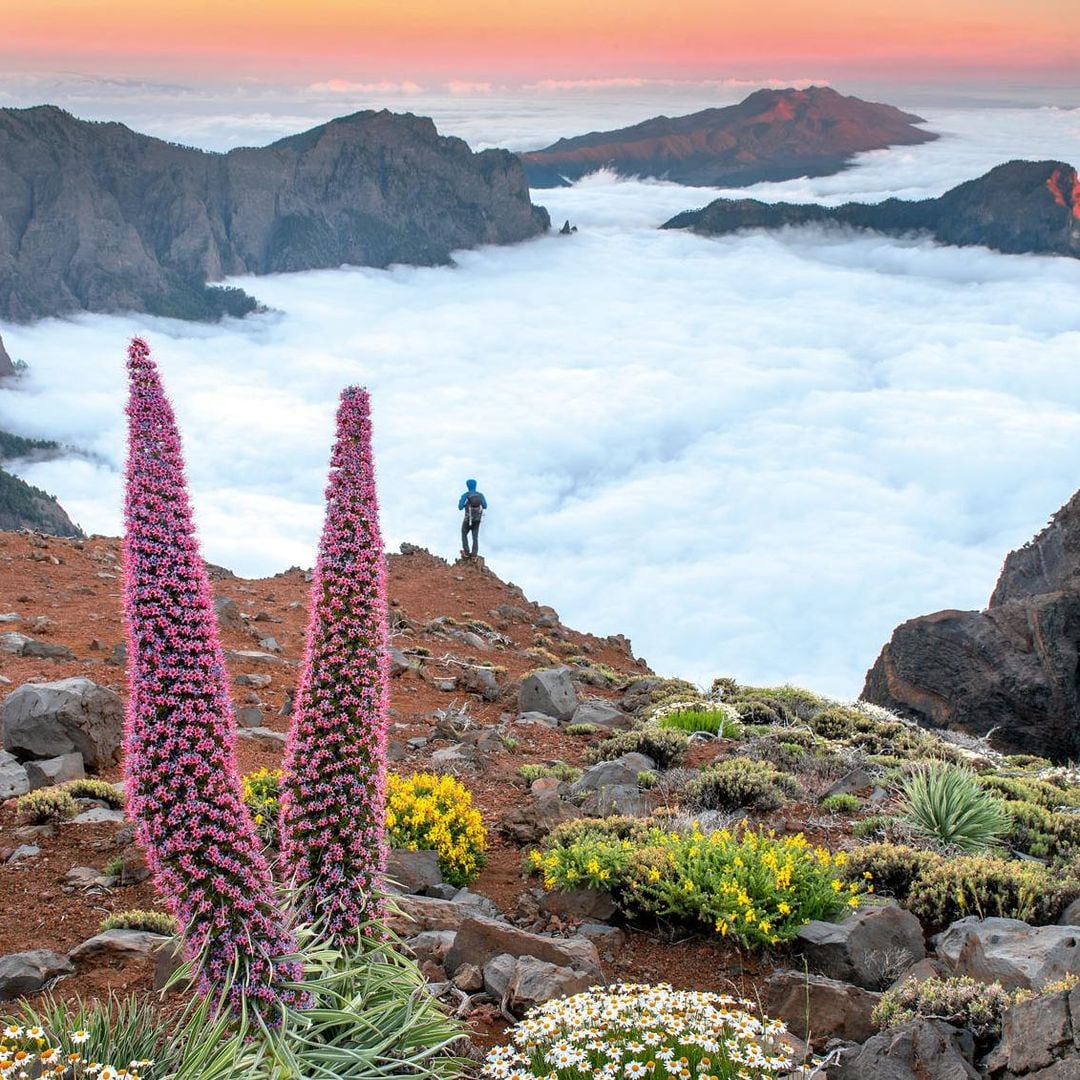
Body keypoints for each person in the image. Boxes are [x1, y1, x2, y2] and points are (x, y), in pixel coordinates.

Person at [458, 478, 487, 558]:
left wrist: (465, 505)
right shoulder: (480, 495)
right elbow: (485, 506)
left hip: (468, 518)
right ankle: (474, 554)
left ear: (467, 486)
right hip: (477, 519)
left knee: (464, 532)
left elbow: (460, 507)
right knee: (475, 536)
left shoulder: (466, 495)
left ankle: (466, 552)